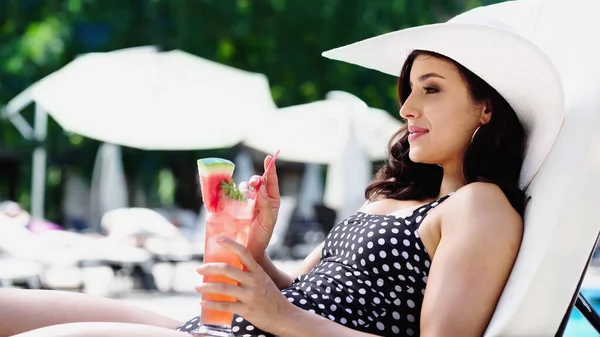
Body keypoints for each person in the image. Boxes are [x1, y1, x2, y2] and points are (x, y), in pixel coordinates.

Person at [0, 5, 564, 337]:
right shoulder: (399, 196)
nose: (406, 108)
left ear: (486, 107)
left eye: (431, 90)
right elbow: (305, 292)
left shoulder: (480, 206)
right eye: (408, 91)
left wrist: (277, 317)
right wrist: (258, 251)